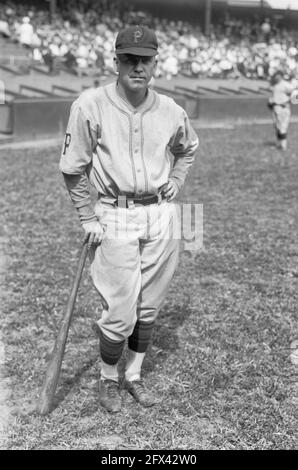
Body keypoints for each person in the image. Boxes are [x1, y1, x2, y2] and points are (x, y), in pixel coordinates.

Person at [59, 25, 199, 413]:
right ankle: (107, 379)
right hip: (114, 213)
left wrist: (176, 179)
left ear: (156, 62)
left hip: (161, 214)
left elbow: (188, 148)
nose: (138, 67)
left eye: (146, 60)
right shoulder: (90, 105)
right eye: (129, 59)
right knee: (120, 310)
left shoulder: (171, 109)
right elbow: (73, 168)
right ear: (116, 61)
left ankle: (133, 376)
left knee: (149, 306)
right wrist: (87, 215)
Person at [268, 70, 296, 151]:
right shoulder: (275, 84)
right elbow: (273, 95)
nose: (276, 77)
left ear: (281, 76)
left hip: (283, 108)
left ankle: (283, 146)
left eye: (277, 75)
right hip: (275, 107)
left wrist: (289, 101)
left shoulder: (285, 84)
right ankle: (279, 144)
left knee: (282, 127)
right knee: (277, 126)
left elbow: (295, 93)